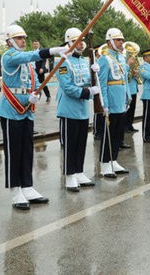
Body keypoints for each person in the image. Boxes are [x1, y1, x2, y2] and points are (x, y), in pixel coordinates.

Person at [0, 24, 67, 209]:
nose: (23, 41)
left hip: (26, 108)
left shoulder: (26, 61)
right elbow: (28, 56)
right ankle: (15, 190)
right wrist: (51, 51)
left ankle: (27, 186)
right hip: (11, 109)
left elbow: (34, 78)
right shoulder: (10, 56)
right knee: (14, 151)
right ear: (10, 41)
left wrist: (35, 94)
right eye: (19, 38)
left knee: (27, 150)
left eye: (24, 38)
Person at [55, 28, 97, 192]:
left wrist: (95, 76)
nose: (81, 44)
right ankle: (69, 175)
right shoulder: (63, 62)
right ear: (70, 42)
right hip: (69, 108)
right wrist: (87, 92)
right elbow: (67, 86)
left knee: (81, 143)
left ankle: (79, 171)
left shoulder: (83, 61)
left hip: (82, 109)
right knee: (70, 144)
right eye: (77, 41)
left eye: (82, 41)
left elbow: (87, 81)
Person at [96, 28, 130, 178]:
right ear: (109, 42)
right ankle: (104, 163)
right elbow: (102, 83)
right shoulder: (104, 59)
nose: (121, 42)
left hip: (121, 101)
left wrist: (128, 96)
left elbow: (125, 80)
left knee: (118, 133)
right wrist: (104, 104)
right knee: (108, 134)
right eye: (118, 40)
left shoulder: (121, 58)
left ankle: (113, 160)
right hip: (110, 101)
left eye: (122, 40)